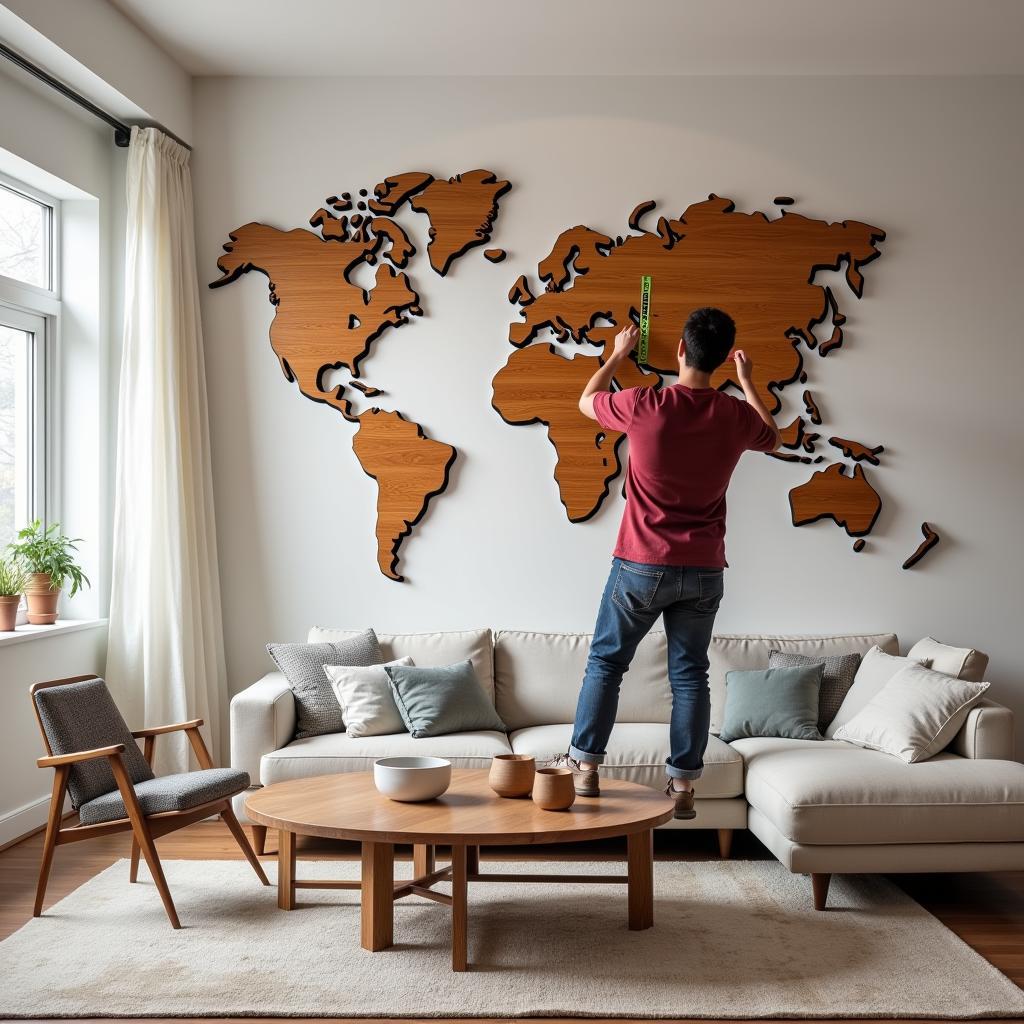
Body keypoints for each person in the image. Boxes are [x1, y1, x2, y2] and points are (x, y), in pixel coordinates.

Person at [550, 307, 780, 819]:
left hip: (640, 564)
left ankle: (585, 768)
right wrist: (747, 384)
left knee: (607, 663)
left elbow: (587, 402)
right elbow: (774, 435)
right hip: (703, 569)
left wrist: (616, 355)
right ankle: (682, 787)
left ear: (680, 349)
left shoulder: (643, 404)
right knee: (690, 677)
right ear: (722, 361)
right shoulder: (734, 414)